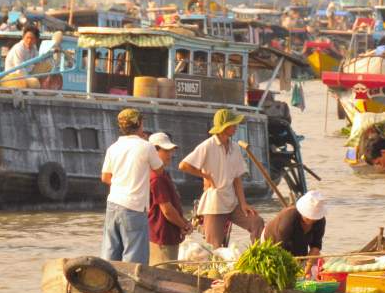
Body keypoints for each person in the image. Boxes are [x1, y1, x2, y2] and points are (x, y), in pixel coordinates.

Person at [179, 108, 264, 248]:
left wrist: (243, 204)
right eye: (233, 125)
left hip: (232, 202)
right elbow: (184, 165)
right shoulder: (208, 146)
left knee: (257, 222)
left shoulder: (235, 148)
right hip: (214, 205)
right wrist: (205, 175)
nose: (236, 127)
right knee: (214, 246)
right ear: (224, 127)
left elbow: (237, 178)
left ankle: (258, 255)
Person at [100, 108, 163, 264]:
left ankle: (106, 285)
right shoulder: (146, 146)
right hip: (134, 207)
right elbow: (159, 169)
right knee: (134, 259)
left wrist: (123, 182)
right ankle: (130, 287)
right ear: (140, 124)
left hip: (113, 204)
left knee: (110, 254)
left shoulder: (113, 147)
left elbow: (106, 177)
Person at [146, 131, 191, 264]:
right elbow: (167, 210)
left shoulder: (162, 174)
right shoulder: (156, 177)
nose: (170, 155)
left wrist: (183, 223)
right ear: (154, 151)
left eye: (171, 151)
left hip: (168, 234)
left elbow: (172, 206)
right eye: (166, 151)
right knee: (164, 274)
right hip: (162, 236)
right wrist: (184, 225)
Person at [262, 190, 327, 277]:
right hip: (273, 243)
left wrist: (307, 268)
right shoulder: (288, 219)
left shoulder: (320, 221)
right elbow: (280, 249)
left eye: (313, 218)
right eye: (308, 218)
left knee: (308, 268)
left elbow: (316, 245)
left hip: (300, 243)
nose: (311, 220)